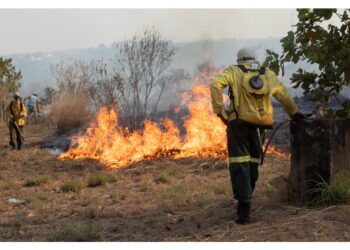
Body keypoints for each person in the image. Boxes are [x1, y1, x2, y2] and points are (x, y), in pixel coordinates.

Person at [210, 48, 306, 225]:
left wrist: (220, 112)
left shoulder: (233, 71)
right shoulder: (267, 73)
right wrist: (294, 112)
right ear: (254, 59)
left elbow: (215, 85)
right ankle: (247, 198)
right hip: (259, 127)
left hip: (238, 126)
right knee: (253, 163)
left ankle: (243, 210)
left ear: (239, 60)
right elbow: (283, 95)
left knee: (240, 165)